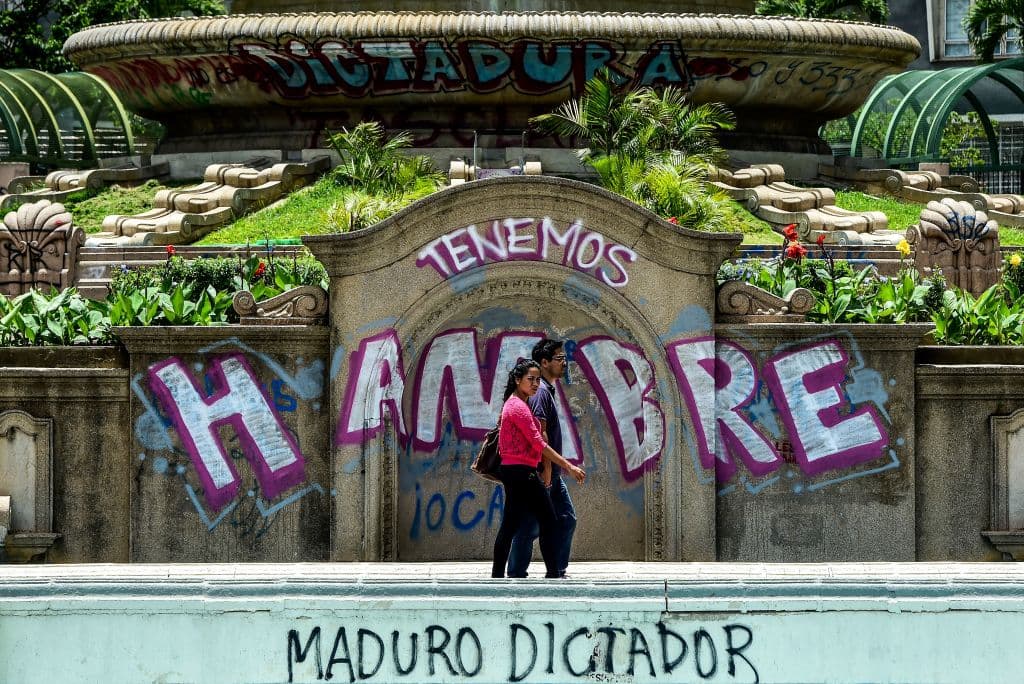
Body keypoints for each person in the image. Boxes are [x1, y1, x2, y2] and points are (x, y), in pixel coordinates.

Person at [491, 359, 585, 579]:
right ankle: (553, 574)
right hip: (523, 473)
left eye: (537, 380)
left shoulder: (516, 404)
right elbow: (538, 443)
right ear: (517, 380)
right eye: (530, 380)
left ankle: (498, 576)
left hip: (516, 471)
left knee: (511, 525)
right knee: (549, 521)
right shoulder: (518, 407)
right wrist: (568, 465)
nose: (535, 384)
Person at [507, 338, 577, 578]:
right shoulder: (540, 393)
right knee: (531, 525)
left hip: (551, 473)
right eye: (559, 358)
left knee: (566, 519)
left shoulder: (546, 390)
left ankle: (556, 569)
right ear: (544, 362)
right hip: (542, 472)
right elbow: (540, 434)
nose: (564, 362)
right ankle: (517, 572)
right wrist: (546, 470)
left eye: (564, 358)